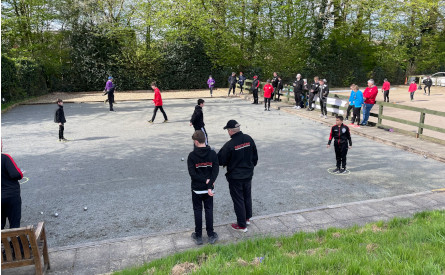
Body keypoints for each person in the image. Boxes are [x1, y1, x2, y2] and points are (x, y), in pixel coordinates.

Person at [217, 120, 258, 232]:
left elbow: (220, 160)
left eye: (227, 130)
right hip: (248, 174)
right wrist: (250, 167)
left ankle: (241, 225)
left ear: (230, 131)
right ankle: (247, 218)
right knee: (247, 196)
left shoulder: (229, 145)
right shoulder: (249, 139)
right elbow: (255, 156)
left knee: (238, 199)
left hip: (235, 177)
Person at [187, 130, 219, 245]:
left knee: (197, 210)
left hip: (197, 189)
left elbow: (193, 174)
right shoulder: (212, 154)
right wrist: (210, 182)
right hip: (209, 188)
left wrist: (204, 181)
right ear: (204, 139)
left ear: (196, 142)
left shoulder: (192, 156)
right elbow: (215, 170)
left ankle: (199, 235)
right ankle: (211, 234)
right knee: (209, 210)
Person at [2, 146, 24, 229]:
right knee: (14, 223)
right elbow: (15, 174)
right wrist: (21, 173)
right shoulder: (5, 158)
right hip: (10, 195)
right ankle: (14, 241)